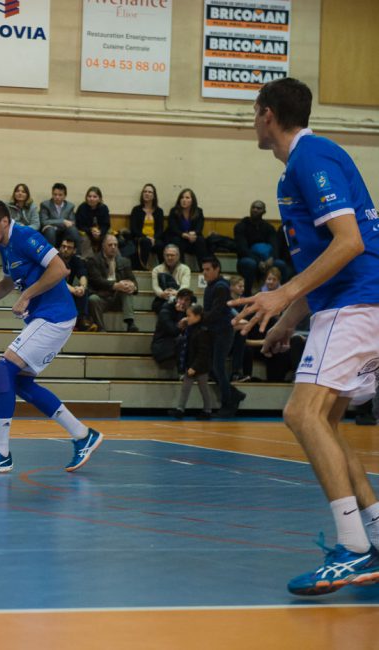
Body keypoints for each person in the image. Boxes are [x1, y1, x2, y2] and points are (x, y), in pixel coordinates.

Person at [232, 77, 379, 595]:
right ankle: (374, 534)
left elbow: (350, 242)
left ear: (268, 114)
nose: (253, 122)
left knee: (302, 414)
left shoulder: (310, 159)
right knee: (327, 422)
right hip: (352, 302)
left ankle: (352, 549)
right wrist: (289, 319)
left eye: (255, 113)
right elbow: (326, 258)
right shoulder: (304, 163)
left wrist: (281, 295)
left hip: (356, 302)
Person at [0, 200, 104, 473]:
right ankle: (83, 435)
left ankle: (0, 452)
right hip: (46, 317)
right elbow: (7, 282)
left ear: (5, 221)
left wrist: (26, 295)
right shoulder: (6, 245)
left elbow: (60, 269)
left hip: (54, 315)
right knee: (20, 383)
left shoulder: (24, 236)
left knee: (2, 369)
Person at [200, 257, 244, 417]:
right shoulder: (213, 285)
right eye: (203, 269)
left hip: (223, 331)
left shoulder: (220, 287)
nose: (204, 272)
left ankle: (229, 403)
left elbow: (216, 312)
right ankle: (234, 395)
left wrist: (198, 318)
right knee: (213, 368)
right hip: (215, 331)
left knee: (218, 367)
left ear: (217, 269)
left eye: (207, 269)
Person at [167, 305, 214, 420]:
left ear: (198, 316)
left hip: (201, 366)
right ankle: (180, 409)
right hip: (190, 364)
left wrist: (194, 367)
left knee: (204, 389)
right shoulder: (191, 328)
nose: (187, 318)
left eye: (189, 316)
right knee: (185, 388)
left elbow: (203, 352)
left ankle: (207, 410)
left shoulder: (203, 331)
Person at [87, 234, 140, 332]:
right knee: (92, 299)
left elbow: (133, 281)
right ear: (103, 246)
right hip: (102, 297)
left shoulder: (125, 261)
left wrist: (133, 286)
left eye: (115, 245)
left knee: (127, 288)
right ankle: (100, 328)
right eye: (110, 245)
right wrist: (116, 285)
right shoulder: (93, 260)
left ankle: (130, 323)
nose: (113, 247)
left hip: (118, 298)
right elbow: (97, 281)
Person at [234, 199, 287, 295]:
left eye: (258, 208)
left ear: (264, 212)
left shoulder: (269, 227)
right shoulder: (241, 226)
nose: (255, 210)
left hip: (267, 259)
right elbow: (242, 249)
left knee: (281, 264)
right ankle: (247, 295)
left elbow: (275, 246)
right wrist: (259, 261)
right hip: (247, 259)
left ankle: (281, 294)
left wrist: (271, 258)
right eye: (253, 207)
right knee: (250, 263)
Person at [165, 188, 208, 271]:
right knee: (176, 240)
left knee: (200, 240)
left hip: (192, 238)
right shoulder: (174, 211)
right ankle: (180, 269)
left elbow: (199, 227)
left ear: (192, 200)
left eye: (187, 198)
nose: (184, 200)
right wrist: (183, 234)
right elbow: (173, 228)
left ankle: (203, 269)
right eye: (182, 198)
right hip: (179, 237)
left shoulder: (198, 211)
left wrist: (193, 233)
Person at [57, 238, 95, 331]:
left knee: (83, 291)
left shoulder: (76, 260)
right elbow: (58, 281)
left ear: (74, 250)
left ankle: (82, 320)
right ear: (60, 247)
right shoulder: (55, 260)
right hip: (53, 290)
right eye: (63, 246)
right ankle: (75, 322)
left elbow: (82, 275)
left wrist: (82, 287)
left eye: (69, 247)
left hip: (67, 290)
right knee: (71, 292)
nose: (65, 249)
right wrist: (74, 290)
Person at [152, 288, 194, 367]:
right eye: (181, 299)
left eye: (186, 300)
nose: (183, 302)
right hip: (163, 345)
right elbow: (174, 331)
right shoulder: (165, 310)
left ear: (190, 302)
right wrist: (180, 313)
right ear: (176, 299)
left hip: (177, 345)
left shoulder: (190, 312)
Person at [128, 183, 165, 270]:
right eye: (145, 191)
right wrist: (146, 237)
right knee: (146, 242)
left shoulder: (159, 211)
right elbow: (134, 229)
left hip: (154, 238)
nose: (147, 194)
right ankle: (141, 268)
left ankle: (163, 269)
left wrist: (154, 238)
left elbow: (160, 229)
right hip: (140, 237)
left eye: (149, 192)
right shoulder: (136, 210)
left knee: (161, 244)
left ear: (154, 196)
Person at [150, 244, 192, 313]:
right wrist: (162, 294)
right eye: (167, 255)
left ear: (178, 256)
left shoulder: (185, 269)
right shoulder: (156, 269)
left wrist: (177, 293)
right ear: (164, 256)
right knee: (161, 307)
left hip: (179, 297)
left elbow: (185, 285)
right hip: (163, 297)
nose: (169, 258)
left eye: (172, 255)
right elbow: (155, 286)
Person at [39, 182, 79, 248]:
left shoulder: (70, 206)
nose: (57, 197)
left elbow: (72, 223)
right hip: (50, 232)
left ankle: (77, 253)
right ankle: (50, 254)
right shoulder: (45, 205)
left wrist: (54, 223)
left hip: (64, 232)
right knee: (50, 230)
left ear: (65, 196)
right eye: (55, 194)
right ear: (52, 194)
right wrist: (63, 221)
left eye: (60, 195)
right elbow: (44, 222)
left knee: (73, 230)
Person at [74, 186, 111, 255]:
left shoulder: (104, 208)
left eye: (94, 197)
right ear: (86, 197)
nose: (91, 199)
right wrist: (91, 230)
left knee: (110, 239)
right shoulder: (82, 207)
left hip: (100, 232)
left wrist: (100, 232)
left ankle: (109, 258)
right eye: (89, 196)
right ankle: (88, 259)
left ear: (99, 198)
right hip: (86, 232)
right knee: (84, 239)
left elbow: (106, 224)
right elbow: (79, 225)